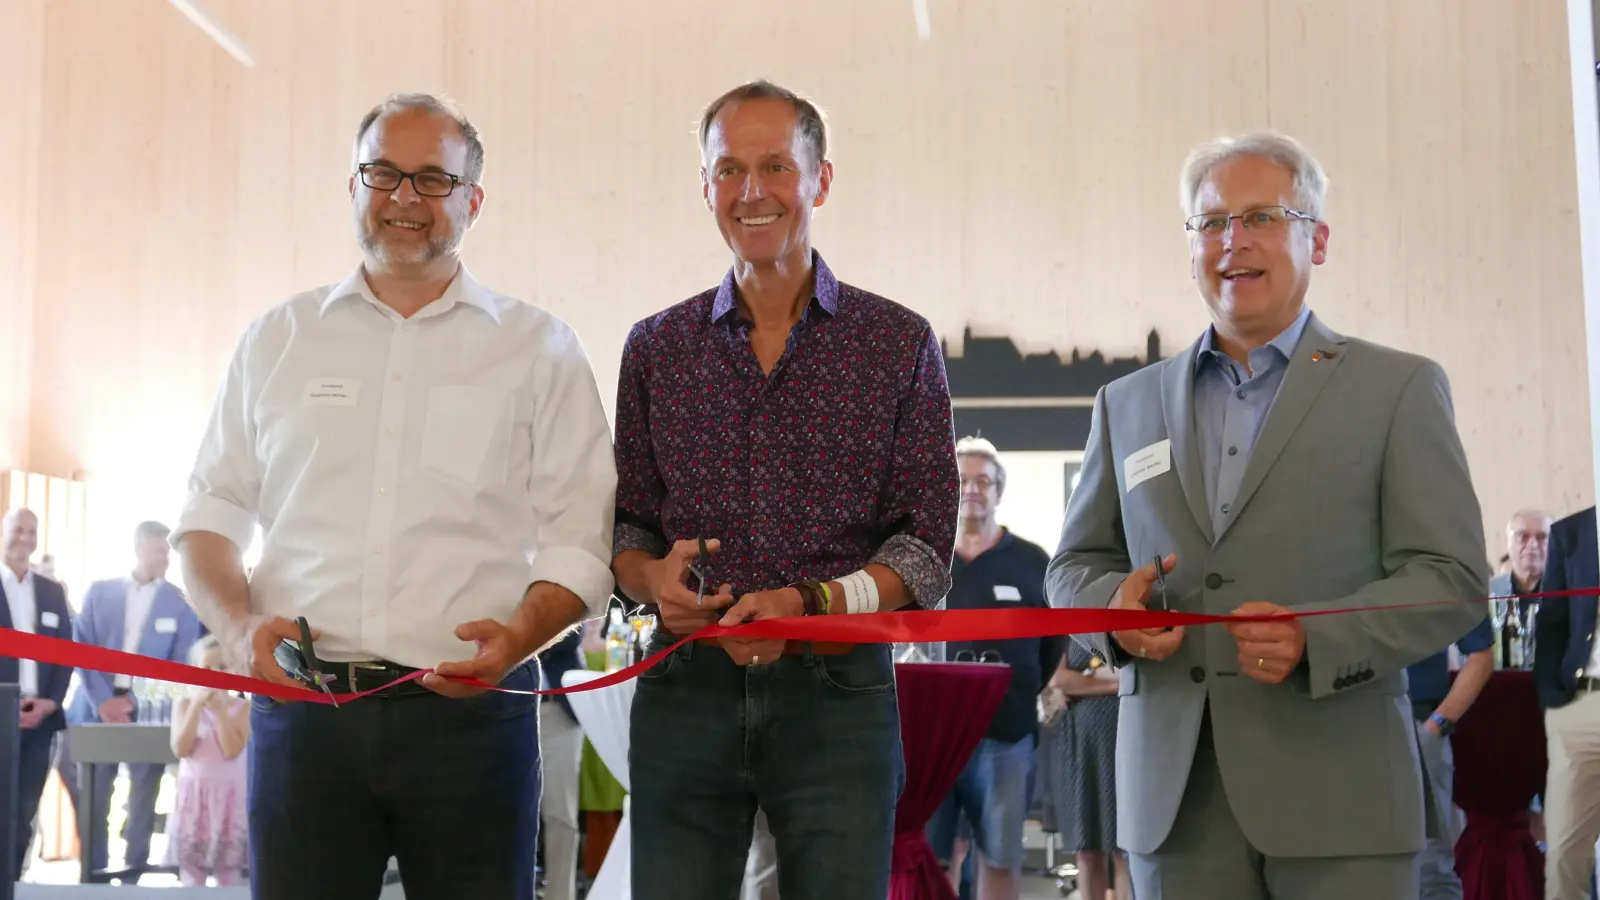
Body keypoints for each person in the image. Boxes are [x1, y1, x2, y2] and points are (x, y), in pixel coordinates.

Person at [170, 92, 617, 900]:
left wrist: (519, 634)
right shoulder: (278, 340)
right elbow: (208, 517)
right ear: (353, 187)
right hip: (304, 717)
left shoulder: (539, 349)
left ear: (472, 202)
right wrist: (236, 630)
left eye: (433, 180)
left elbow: (581, 535)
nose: (405, 198)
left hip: (475, 722)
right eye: (383, 173)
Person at [1047, 131, 1491, 899]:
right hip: (1173, 809)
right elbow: (1073, 565)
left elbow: (1450, 579)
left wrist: (1316, 638)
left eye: (1261, 217)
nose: (1232, 242)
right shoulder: (1125, 404)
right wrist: (1108, 614)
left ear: (1317, 238)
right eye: (1211, 223)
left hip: (1342, 798)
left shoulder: (1399, 389)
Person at [611, 79, 959, 899]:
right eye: (728, 170)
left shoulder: (896, 342)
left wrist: (808, 602)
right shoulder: (656, 347)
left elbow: (926, 547)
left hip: (837, 697)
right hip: (684, 689)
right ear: (705, 189)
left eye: (776, 167)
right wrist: (652, 580)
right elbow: (626, 529)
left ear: (821, 180)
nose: (752, 191)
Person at [927, 436, 1060, 900]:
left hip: (1006, 737)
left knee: (1000, 860)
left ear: (999, 492)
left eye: (984, 481)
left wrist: (1014, 692)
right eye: (962, 480)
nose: (972, 490)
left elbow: (1051, 648)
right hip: (932, 741)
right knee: (932, 859)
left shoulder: (1031, 562)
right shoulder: (924, 563)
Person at [59, 519, 203, 880]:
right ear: (140, 548)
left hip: (149, 713)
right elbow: (82, 649)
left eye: (168, 551)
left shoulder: (181, 603)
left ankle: (132, 877)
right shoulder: (99, 592)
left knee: (143, 797)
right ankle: (93, 876)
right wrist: (103, 702)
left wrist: (135, 702)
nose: (166, 558)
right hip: (95, 710)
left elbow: (181, 663)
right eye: (159, 550)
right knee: (95, 798)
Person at [0, 508, 72, 879]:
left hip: (40, 719)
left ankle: (13, 881)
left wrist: (50, 702)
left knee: (25, 810)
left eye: (32, 531)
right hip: (0, 714)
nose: (25, 538)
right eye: (18, 530)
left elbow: (66, 653)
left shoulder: (51, 592)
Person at [1533, 505, 1600, 898]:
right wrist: (1552, 704)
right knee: (1562, 856)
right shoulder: (1572, 532)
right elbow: (1552, 624)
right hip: (1578, 705)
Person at [1405, 616, 1494, 899]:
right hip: (1348, 729)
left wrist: (1435, 726)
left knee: (1430, 867)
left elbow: (1482, 656)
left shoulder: (1442, 572)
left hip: (1418, 724)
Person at [1044, 644, 1131, 900]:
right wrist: (1118, 684)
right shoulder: (1066, 619)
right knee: (1087, 849)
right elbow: (1060, 681)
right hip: (1079, 745)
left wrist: (1085, 682)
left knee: (1125, 850)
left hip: (1127, 739)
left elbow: (1142, 676)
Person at [166, 635, 249, 886]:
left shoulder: (242, 708)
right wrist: (197, 707)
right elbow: (180, 748)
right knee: (192, 871)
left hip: (228, 799)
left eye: (223, 667)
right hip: (195, 798)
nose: (215, 675)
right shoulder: (183, 705)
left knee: (228, 873)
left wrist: (221, 711)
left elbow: (231, 749)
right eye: (207, 668)